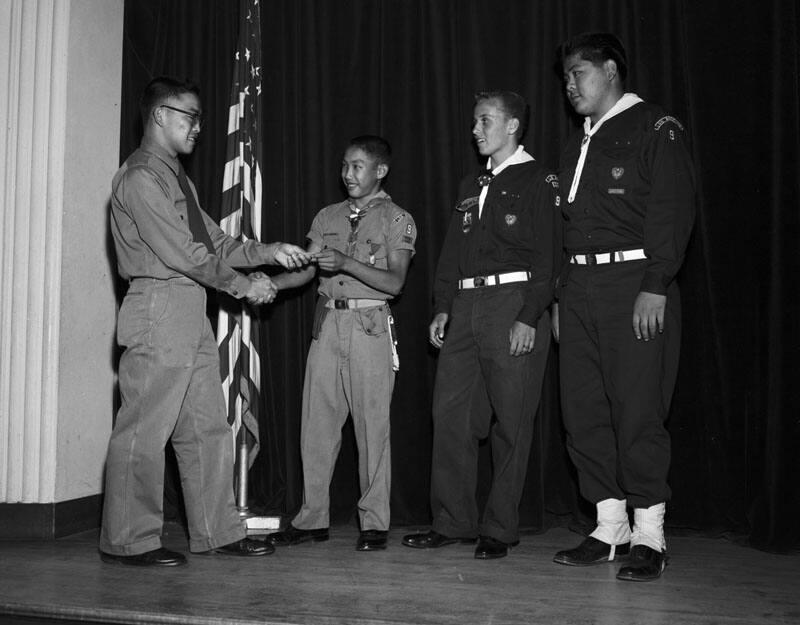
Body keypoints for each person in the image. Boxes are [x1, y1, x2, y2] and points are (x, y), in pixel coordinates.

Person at [100, 77, 312, 567]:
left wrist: (269, 254)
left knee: (206, 426)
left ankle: (217, 530)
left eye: (198, 118)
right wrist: (242, 286)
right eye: (189, 116)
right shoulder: (139, 179)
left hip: (190, 303)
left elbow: (214, 242)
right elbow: (182, 252)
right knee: (144, 428)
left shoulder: (176, 179)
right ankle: (129, 539)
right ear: (159, 115)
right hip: (159, 303)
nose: (198, 127)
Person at [552, 33, 695, 581]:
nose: (570, 85)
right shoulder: (578, 142)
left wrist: (656, 282)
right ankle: (608, 526)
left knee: (637, 409)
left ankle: (649, 533)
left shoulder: (655, 126)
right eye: (565, 76)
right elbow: (569, 227)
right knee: (583, 410)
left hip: (634, 281)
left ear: (611, 70)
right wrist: (563, 294)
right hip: (580, 289)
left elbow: (673, 206)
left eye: (579, 73)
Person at [402, 91, 560, 559]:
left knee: (512, 420)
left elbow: (550, 256)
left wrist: (530, 315)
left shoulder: (539, 178)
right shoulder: (472, 182)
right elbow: (453, 251)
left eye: (485, 121)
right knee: (450, 416)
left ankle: (499, 527)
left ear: (512, 125)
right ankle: (453, 521)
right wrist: (442, 304)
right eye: (474, 121)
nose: (475, 130)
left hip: (512, 300)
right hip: (468, 301)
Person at [266, 135, 416, 552]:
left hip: (369, 325)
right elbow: (304, 272)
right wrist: (268, 283)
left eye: (357, 166)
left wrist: (348, 262)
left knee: (372, 427)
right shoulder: (327, 216)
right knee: (316, 425)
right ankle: (312, 518)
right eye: (344, 166)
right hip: (328, 322)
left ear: (380, 170)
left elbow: (395, 282)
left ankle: (374, 523)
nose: (347, 174)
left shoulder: (396, 218)